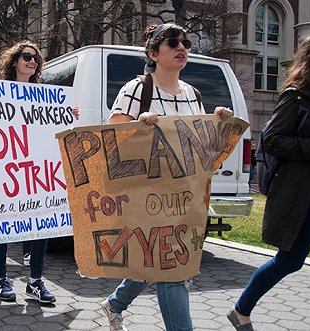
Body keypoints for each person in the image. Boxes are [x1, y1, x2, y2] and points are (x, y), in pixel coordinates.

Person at [99, 23, 233, 331]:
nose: (181, 47)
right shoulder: (137, 89)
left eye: (185, 42)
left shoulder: (193, 94)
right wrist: (139, 125)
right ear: (153, 53)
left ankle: (116, 303)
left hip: (183, 195)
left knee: (156, 261)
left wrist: (217, 123)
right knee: (172, 270)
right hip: (146, 194)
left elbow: (202, 147)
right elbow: (113, 134)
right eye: (172, 42)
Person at [227, 33, 310, 331]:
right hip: (304, 193)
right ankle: (241, 310)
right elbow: (273, 140)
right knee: (290, 260)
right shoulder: (296, 96)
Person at [0, 41, 62, 304]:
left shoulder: (44, 95)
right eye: (27, 56)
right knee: (4, 221)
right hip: (7, 169)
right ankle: (0, 280)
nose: (32, 61)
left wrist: (69, 114)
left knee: (41, 223)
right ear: (15, 60)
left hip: (36, 170)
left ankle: (35, 282)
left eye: (36, 59)